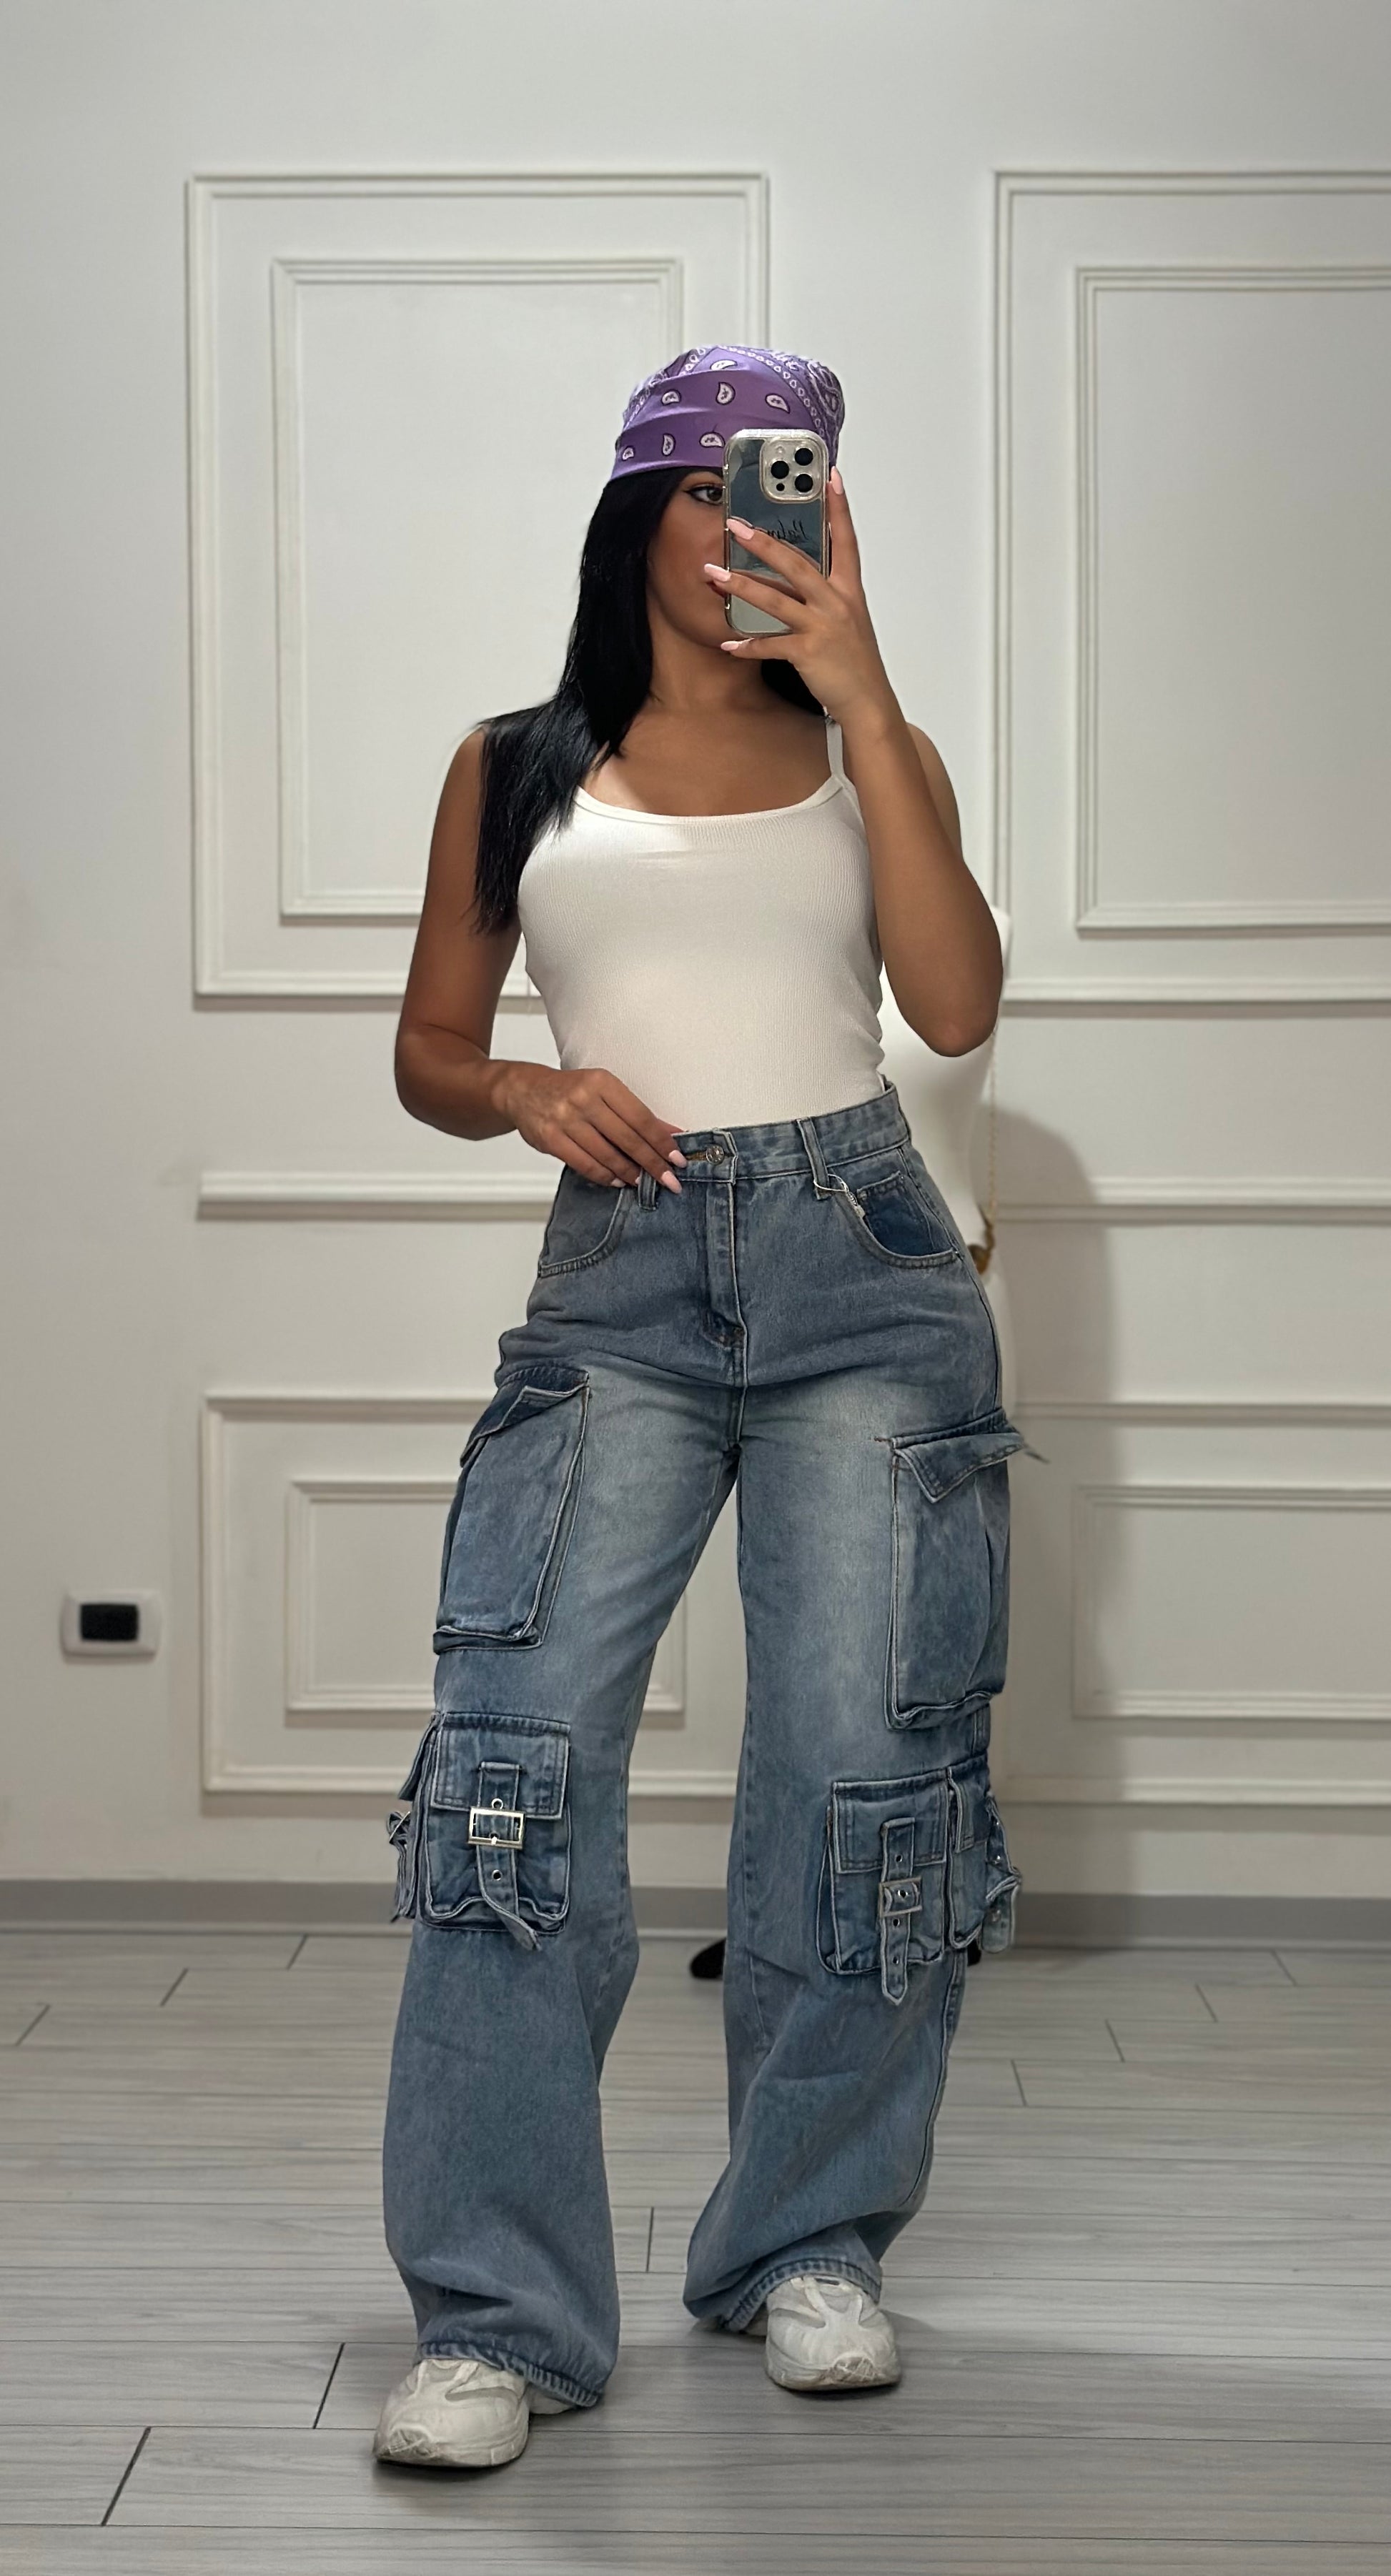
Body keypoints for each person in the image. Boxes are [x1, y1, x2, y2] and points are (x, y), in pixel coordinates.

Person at [372, 345, 1035, 2472]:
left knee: (866, 1776)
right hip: (622, 1282)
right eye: (724, 492)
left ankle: (805, 2246)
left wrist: (865, 691)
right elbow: (430, 1051)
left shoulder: (869, 746)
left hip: (867, 1271)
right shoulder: (513, 763)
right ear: (641, 513)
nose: (763, 525)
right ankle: (498, 2315)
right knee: (512, 1770)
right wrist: (521, 1085)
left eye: (801, 491)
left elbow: (954, 1005)